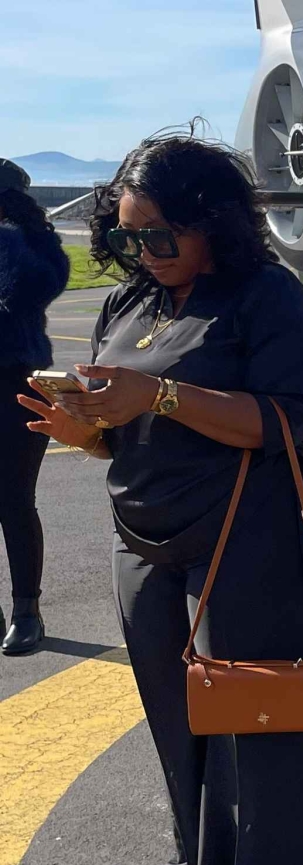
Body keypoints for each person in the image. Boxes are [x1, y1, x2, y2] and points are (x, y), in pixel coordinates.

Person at [16, 133, 303, 865]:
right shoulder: (133, 299)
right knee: (179, 734)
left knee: (256, 743)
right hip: (146, 540)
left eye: (159, 235)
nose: (142, 253)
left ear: (217, 223)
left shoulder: (268, 298)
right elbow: (128, 420)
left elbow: (280, 424)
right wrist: (89, 429)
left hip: (249, 543)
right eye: (126, 236)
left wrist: (158, 393)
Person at [0, 158, 70, 655]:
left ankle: (28, 611)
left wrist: (17, 230)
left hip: (16, 382)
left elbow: (32, 288)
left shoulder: (28, 245)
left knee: (14, 501)